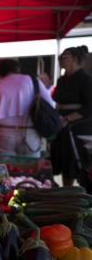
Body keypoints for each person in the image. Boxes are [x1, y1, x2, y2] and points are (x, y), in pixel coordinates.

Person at [0, 59, 54, 157]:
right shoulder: (33, 81)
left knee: (6, 169)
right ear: (18, 69)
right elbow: (50, 104)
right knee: (31, 168)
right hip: (30, 133)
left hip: (4, 134)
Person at [51, 46, 92, 187]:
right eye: (60, 57)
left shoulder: (85, 79)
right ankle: (65, 192)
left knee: (74, 162)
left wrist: (68, 119)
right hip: (61, 126)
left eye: (64, 57)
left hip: (78, 127)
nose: (61, 59)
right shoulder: (62, 80)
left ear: (74, 59)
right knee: (62, 161)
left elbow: (89, 106)